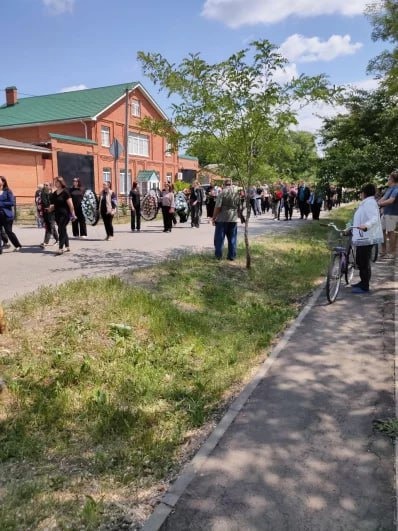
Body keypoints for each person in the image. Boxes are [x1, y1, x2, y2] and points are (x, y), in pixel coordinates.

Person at [351, 183, 383, 294]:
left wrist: (366, 225)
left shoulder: (369, 203)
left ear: (364, 193)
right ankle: (363, 281)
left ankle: (365, 286)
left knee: (364, 262)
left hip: (367, 236)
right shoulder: (367, 203)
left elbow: (374, 217)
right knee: (361, 260)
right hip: (363, 237)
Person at [212, 178, 241, 261]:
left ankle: (218, 256)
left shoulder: (222, 193)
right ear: (231, 184)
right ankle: (232, 256)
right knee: (232, 238)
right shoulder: (236, 194)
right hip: (233, 218)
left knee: (219, 239)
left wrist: (214, 217)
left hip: (222, 218)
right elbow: (239, 206)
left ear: (224, 184)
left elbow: (218, 207)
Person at [48, 177, 76, 255]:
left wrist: (73, 215)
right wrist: (50, 208)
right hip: (57, 214)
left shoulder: (66, 192)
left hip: (65, 214)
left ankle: (60, 248)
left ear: (61, 183)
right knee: (62, 230)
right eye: (55, 182)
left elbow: (71, 205)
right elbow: (53, 204)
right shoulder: (54, 193)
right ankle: (67, 246)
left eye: (57, 182)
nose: (55, 183)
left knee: (61, 229)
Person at [377, 171, 398, 258]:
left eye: (389, 179)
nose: (388, 180)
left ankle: (392, 252)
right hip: (385, 213)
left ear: (393, 180)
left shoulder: (396, 189)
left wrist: (381, 203)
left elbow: (391, 200)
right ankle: (384, 250)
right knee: (381, 231)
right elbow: (383, 198)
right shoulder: (389, 189)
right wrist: (379, 202)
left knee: (390, 233)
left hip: (392, 214)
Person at [0, 176, 22, 251]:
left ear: (3, 182)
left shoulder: (8, 191)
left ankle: (17, 245)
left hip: (6, 215)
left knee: (8, 231)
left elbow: (12, 202)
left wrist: (1, 204)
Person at [39, 182, 58, 248]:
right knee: (51, 227)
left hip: (52, 213)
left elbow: (54, 203)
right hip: (45, 213)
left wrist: (51, 206)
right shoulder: (43, 194)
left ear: (50, 186)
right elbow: (44, 203)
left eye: (46, 185)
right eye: (44, 185)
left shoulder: (52, 194)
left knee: (49, 228)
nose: (45, 186)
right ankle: (58, 240)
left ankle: (45, 242)